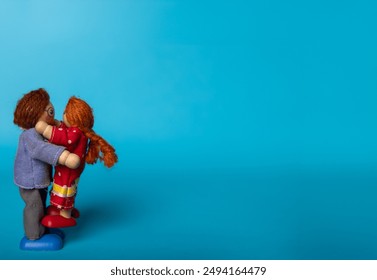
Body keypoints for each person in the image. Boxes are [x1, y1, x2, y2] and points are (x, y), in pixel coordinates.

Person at [35, 96, 118, 228]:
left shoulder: (76, 133)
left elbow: (63, 137)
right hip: (65, 169)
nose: (63, 115)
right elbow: (63, 128)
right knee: (60, 187)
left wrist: (45, 129)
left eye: (65, 113)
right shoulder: (77, 130)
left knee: (66, 190)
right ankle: (60, 208)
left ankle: (66, 215)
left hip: (70, 170)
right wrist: (56, 123)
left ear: (73, 117)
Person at [14, 88, 80, 250]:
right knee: (34, 206)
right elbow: (41, 150)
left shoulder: (37, 132)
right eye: (49, 111)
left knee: (41, 204)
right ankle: (33, 236)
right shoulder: (30, 135)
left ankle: (43, 229)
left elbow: (53, 139)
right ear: (35, 114)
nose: (53, 114)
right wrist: (64, 157)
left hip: (38, 180)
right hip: (31, 181)